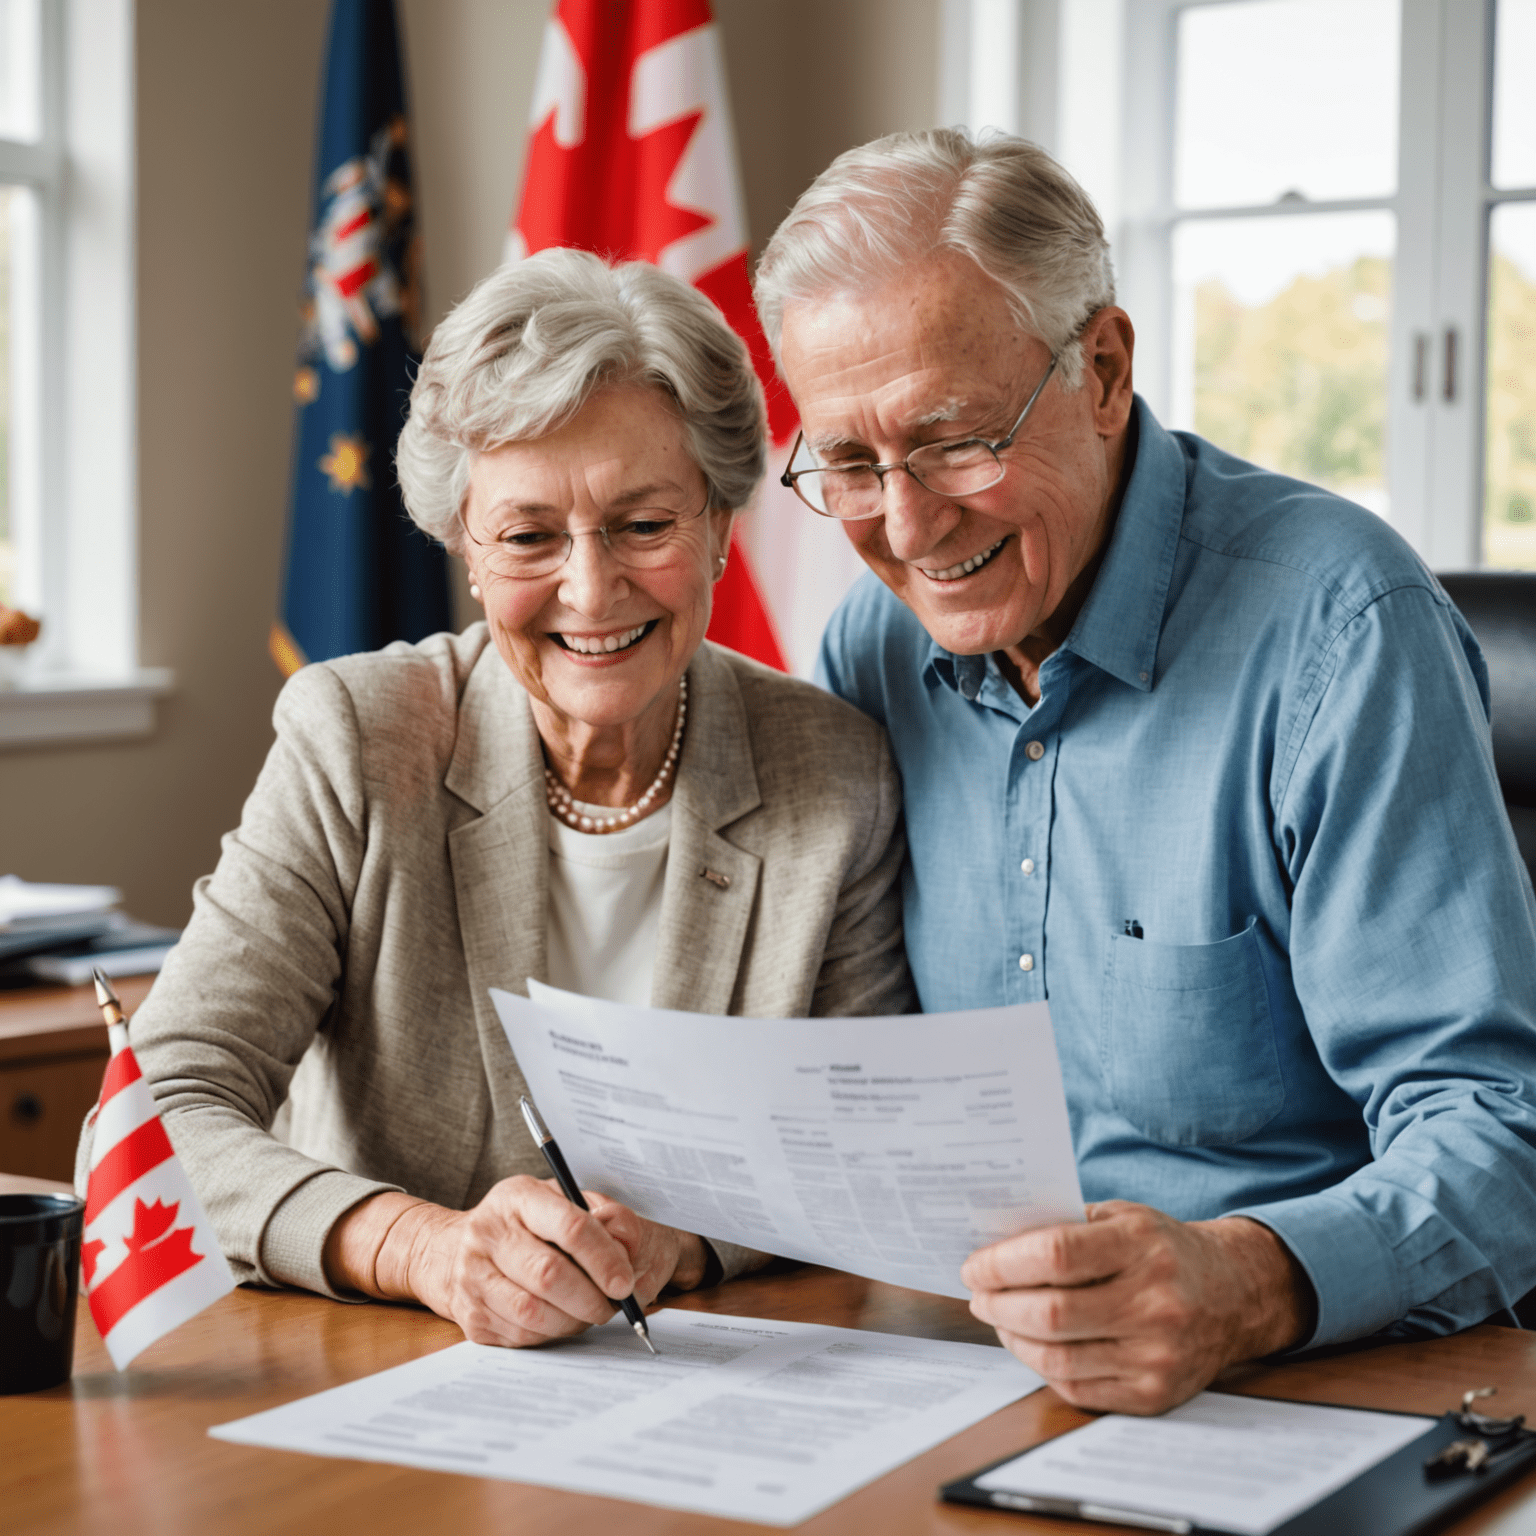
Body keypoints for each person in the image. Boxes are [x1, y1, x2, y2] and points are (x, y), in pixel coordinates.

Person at [753, 128, 1536, 1414]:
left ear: (1103, 368)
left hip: (1305, 1387)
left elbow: (1501, 1133)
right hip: (953, 1371)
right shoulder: (876, 647)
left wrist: (1245, 1283)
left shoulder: (1340, 629)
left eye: (954, 442)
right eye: (846, 462)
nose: (905, 528)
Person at [77, 248, 913, 1349]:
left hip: (717, 1371)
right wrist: (421, 1248)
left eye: (644, 524)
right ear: (465, 551)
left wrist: (688, 1239)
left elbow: (856, 1139)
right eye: (528, 536)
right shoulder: (358, 739)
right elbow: (153, 1115)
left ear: (718, 525)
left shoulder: (833, 771)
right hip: (375, 1372)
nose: (590, 587)